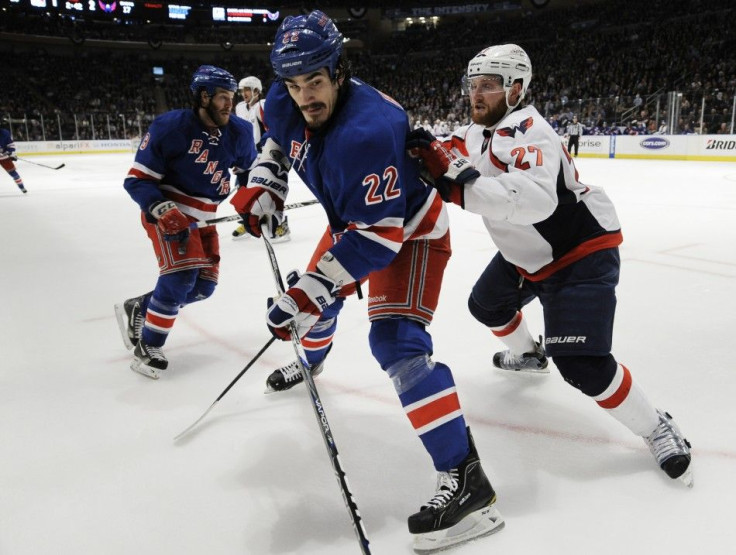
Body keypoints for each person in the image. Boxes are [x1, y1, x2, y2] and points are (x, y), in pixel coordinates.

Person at [230, 11, 504, 552]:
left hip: (410, 233)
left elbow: (380, 242)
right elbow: (277, 141)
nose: (304, 96)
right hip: (355, 224)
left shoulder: (367, 130)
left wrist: (309, 290)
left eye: (315, 82)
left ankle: (470, 484)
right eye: (293, 84)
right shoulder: (286, 100)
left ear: (338, 70)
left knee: (396, 344)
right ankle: (311, 358)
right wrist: (266, 187)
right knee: (314, 300)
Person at [408, 44, 693, 488]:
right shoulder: (479, 129)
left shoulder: (528, 130)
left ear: (516, 88)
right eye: (473, 85)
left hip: (578, 253)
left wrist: (454, 187)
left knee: (582, 364)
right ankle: (528, 354)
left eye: (488, 85)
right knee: (487, 305)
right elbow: (452, 148)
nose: (476, 94)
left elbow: (533, 201)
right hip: (529, 255)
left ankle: (657, 426)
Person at [114, 65, 257, 379]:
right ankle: (148, 346)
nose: (229, 104)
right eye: (222, 97)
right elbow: (137, 180)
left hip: (205, 218)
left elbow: (249, 174)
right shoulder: (170, 126)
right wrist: (163, 209)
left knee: (204, 287)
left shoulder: (240, 132)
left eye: (231, 97)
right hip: (168, 213)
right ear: (203, 96)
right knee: (180, 278)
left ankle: (142, 306)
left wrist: (253, 204)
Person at [232, 75, 291, 242]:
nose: (244, 93)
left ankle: (280, 224)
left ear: (256, 91)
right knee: (243, 192)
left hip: (261, 155)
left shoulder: (262, 105)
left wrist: (268, 154)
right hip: (244, 157)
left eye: (247, 90)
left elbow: (271, 130)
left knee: (269, 192)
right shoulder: (239, 108)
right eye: (242, 90)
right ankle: (247, 220)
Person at [0, 127, 27, 193]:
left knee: (13, 172)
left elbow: (10, 144)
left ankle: (22, 187)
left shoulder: (4, 133)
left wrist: (11, 152)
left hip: (4, 157)